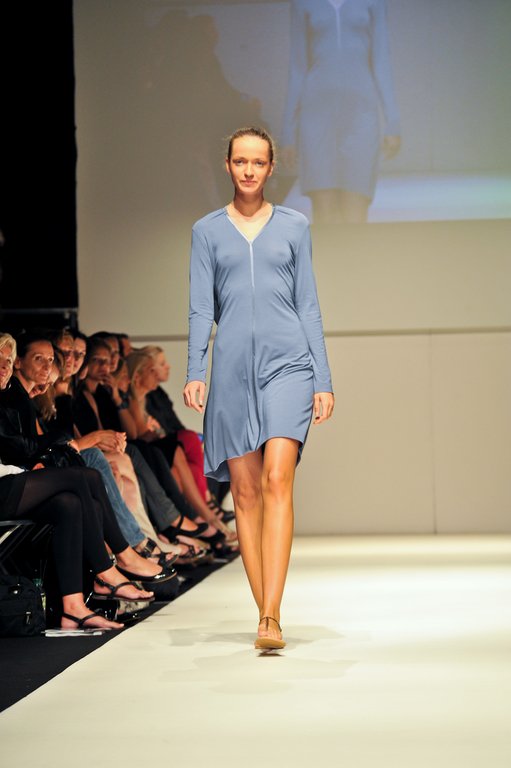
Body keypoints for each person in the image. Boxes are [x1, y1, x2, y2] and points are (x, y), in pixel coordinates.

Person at [183, 126, 334, 650]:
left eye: (258, 162)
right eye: (241, 161)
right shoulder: (207, 231)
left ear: (272, 168)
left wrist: (322, 377)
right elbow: (201, 308)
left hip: (288, 364)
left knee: (276, 479)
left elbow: (308, 303)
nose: (249, 170)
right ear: (228, 165)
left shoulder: (294, 226)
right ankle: (266, 613)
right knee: (245, 493)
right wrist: (195, 370)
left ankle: (271, 616)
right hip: (229, 370)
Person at [0, 332, 156, 630]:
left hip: (13, 481)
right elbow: (21, 447)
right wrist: (59, 439)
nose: (5, 366)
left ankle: (73, 607)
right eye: (1, 360)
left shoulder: (15, 396)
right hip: (6, 485)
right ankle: (114, 563)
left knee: (70, 504)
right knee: (85, 474)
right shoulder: (11, 397)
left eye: (8, 360)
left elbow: (24, 446)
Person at [280, 0, 401, 224]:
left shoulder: (373, 2)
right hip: (316, 116)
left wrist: (393, 122)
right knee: (323, 208)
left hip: (361, 116)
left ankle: (356, 249)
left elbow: (381, 61)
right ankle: (329, 249)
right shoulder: (303, 4)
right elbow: (297, 68)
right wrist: (288, 132)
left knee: (356, 205)